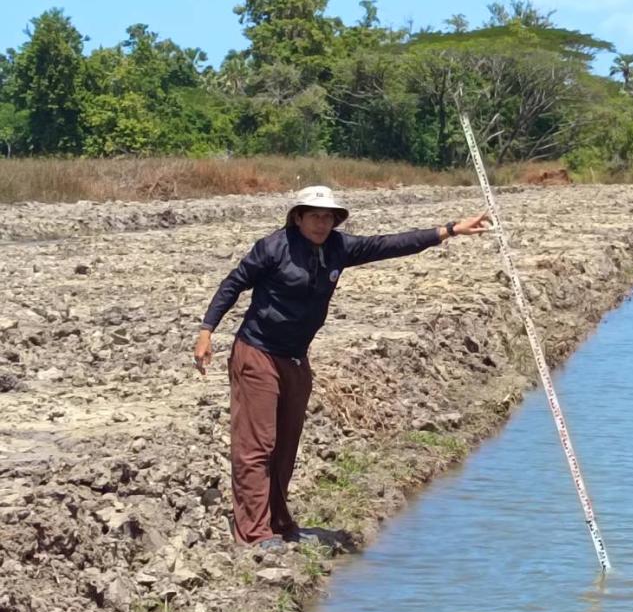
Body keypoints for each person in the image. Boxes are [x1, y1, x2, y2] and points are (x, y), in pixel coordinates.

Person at [194, 185, 490, 547]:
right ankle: (253, 533)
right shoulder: (272, 248)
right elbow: (233, 284)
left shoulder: (339, 247)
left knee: (286, 443)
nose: (322, 223)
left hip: (296, 358)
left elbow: (390, 244)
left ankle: (279, 523)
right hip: (258, 352)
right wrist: (207, 331)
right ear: (298, 217)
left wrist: (449, 230)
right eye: (315, 216)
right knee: (257, 445)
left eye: (328, 217)